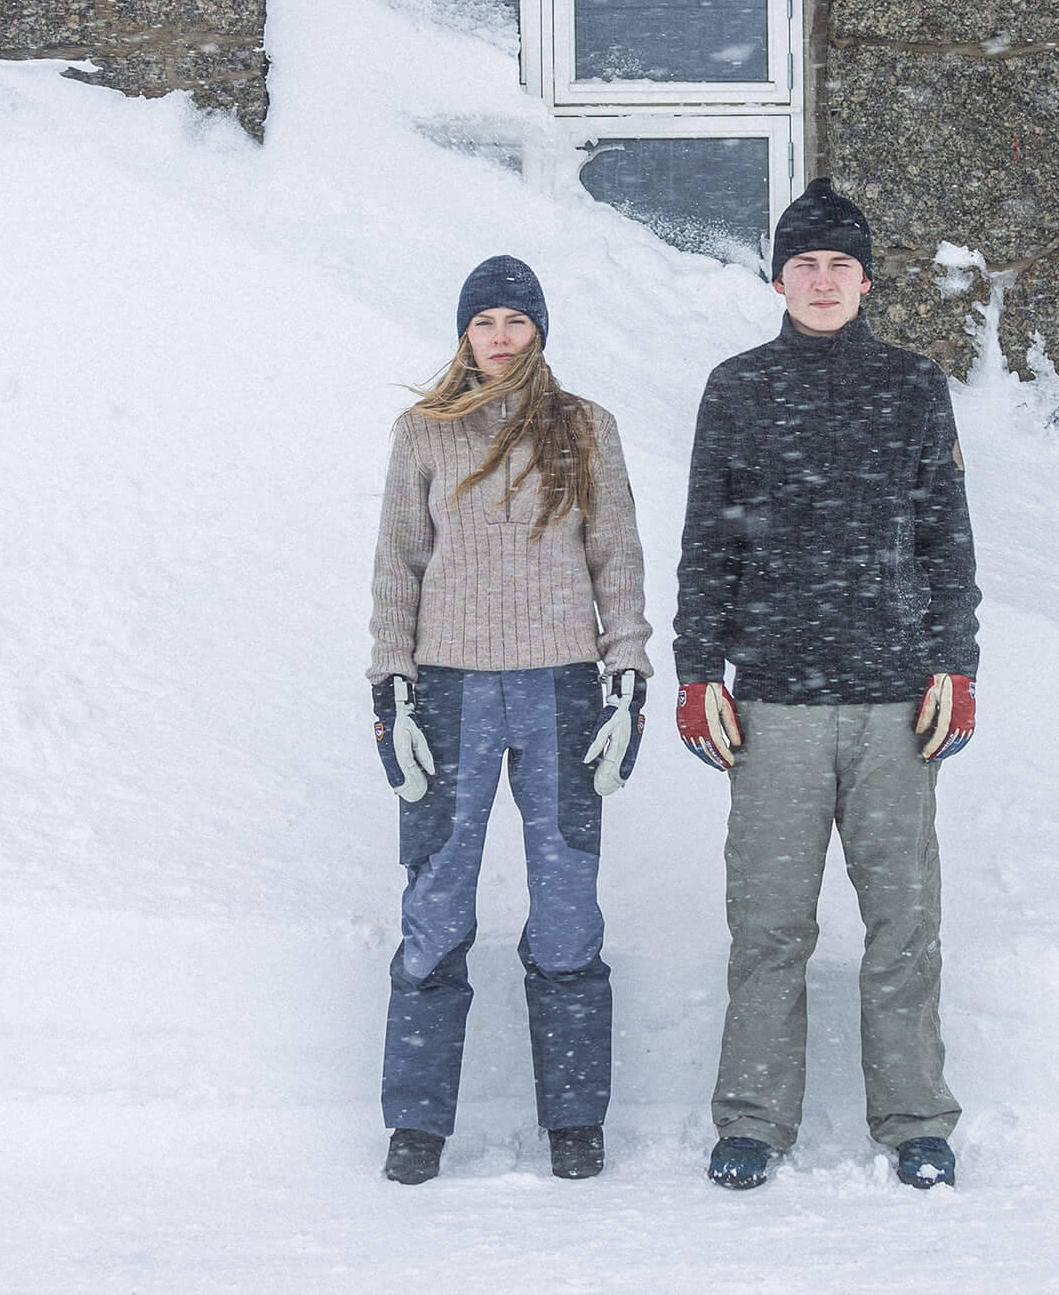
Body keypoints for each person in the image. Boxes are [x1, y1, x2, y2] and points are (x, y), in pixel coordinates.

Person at [673, 179, 981, 1192]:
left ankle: (915, 1117)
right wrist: (694, 669)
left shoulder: (909, 385)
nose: (820, 279)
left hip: (895, 702)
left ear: (864, 279)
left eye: (838, 263)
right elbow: (705, 546)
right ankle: (754, 1118)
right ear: (776, 277)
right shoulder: (738, 387)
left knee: (903, 921)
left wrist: (954, 663)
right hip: (774, 706)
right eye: (802, 263)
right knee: (768, 924)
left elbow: (943, 536)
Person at [368, 254, 653, 1186]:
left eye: (515, 321)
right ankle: (417, 1125)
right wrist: (392, 685)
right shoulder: (423, 433)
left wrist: (628, 674)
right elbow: (398, 567)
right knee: (438, 902)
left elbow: (616, 558)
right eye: (483, 321)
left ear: (539, 330)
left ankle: (574, 1119)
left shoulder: (584, 429)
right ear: (464, 333)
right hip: (450, 692)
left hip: (563, 688)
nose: (500, 336)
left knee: (567, 905)